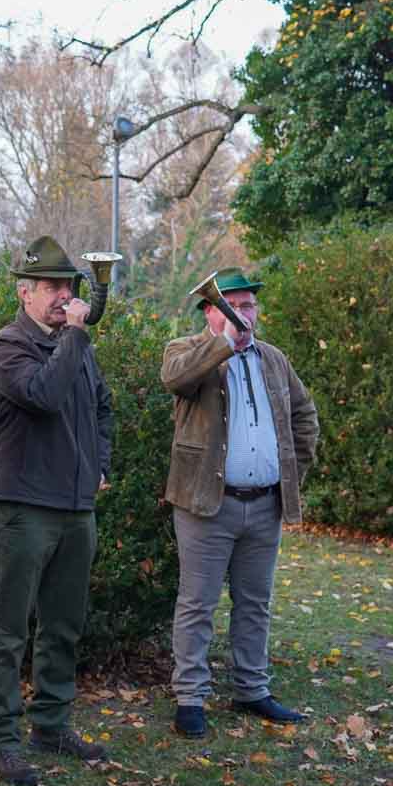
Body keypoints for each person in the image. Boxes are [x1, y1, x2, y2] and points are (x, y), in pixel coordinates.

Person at [159, 266, 318, 739]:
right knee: (197, 603)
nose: (244, 313)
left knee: (255, 602)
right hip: (207, 503)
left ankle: (252, 689)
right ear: (211, 313)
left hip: (264, 504)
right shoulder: (187, 351)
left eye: (248, 305)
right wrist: (224, 343)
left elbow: (304, 415)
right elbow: (177, 380)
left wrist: (290, 470)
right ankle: (190, 696)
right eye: (232, 305)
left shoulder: (273, 358)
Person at [0, 236, 114, 786]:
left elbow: (102, 406)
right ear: (24, 292)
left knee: (63, 625)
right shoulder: (8, 345)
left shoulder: (75, 346)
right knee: (9, 630)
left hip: (76, 506)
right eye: (53, 287)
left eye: (70, 287)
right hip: (24, 507)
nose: (65, 296)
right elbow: (43, 395)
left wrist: (99, 463)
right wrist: (76, 336)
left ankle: (51, 724)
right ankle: (2, 738)